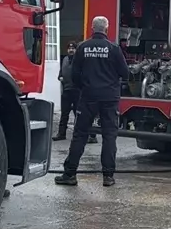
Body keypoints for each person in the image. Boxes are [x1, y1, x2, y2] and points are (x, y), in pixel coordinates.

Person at [55, 16, 129, 187]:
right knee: (109, 136)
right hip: (109, 98)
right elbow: (125, 74)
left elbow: (74, 75)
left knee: (80, 135)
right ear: (106, 29)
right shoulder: (114, 49)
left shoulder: (83, 47)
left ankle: (70, 174)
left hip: (88, 97)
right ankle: (108, 177)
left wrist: (85, 87)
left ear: (92, 29)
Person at [54, 42, 79, 141]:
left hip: (77, 90)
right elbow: (60, 74)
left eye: (73, 48)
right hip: (66, 91)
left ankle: (78, 135)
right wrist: (60, 77)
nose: (71, 50)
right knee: (64, 114)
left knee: (78, 114)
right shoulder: (64, 59)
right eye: (69, 48)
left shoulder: (79, 60)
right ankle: (61, 134)